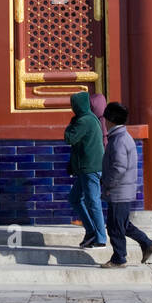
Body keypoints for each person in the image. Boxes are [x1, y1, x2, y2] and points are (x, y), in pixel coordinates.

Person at [99, 102, 152, 268]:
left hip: (119, 190)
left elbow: (119, 166)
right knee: (122, 224)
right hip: (123, 189)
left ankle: (119, 258)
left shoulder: (118, 140)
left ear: (109, 120)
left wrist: (108, 183)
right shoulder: (122, 137)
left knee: (115, 227)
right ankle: (147, 243)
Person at [65, 91, 107, 248]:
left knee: (93, 202)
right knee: (75, 198)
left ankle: (100, 237)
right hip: (85, 168)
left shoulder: (84, 121)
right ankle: (90, 230)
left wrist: (71, 123)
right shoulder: (89, 119)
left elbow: (69, 138)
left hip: (90, 168)